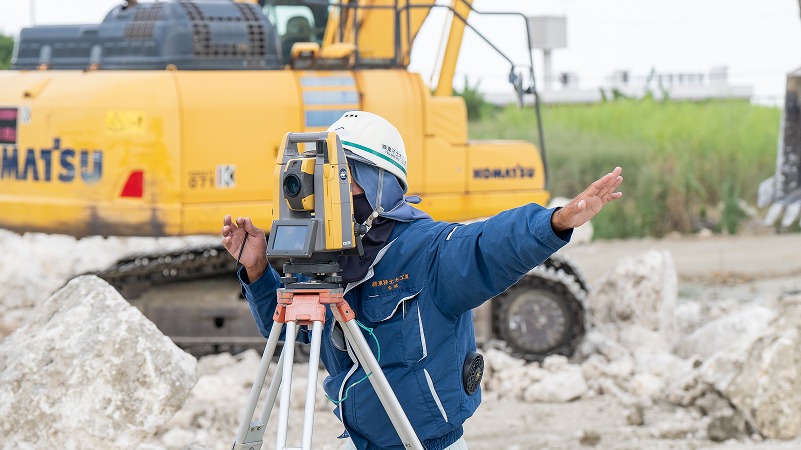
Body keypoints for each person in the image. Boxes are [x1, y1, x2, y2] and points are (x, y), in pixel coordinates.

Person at [221, 111, 623, 450]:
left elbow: (487, 244)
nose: (327, 191)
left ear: (380, 183)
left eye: (342, 177)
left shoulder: (427, 250)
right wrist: (258, 272)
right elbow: (301, 333)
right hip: (358, 440)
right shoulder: (331, 260)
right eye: (324, 177)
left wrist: (553, 222)